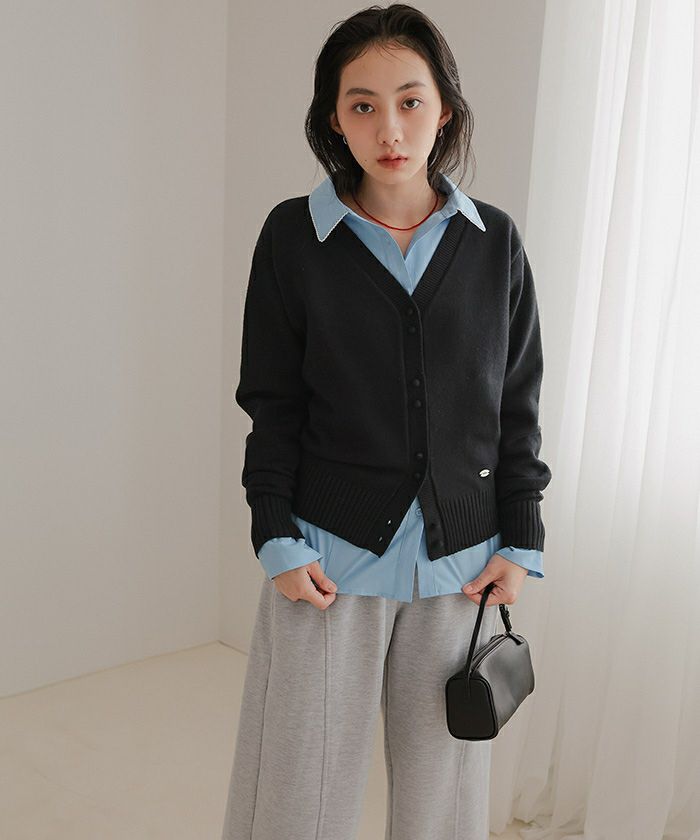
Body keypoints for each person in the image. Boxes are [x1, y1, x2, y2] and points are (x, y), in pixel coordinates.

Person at [221, 4, 552, 839]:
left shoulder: (494, 243)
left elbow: (516, 404)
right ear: (334, 119)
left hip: (462, 568)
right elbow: (272, 400)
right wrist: (275, 534)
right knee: (300, 795)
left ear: (446, 109)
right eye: (362, 104)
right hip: (326, 563)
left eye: (410, 101)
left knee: (443, 804)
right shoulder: (294, 237)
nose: (390, 128)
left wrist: (521, 538)